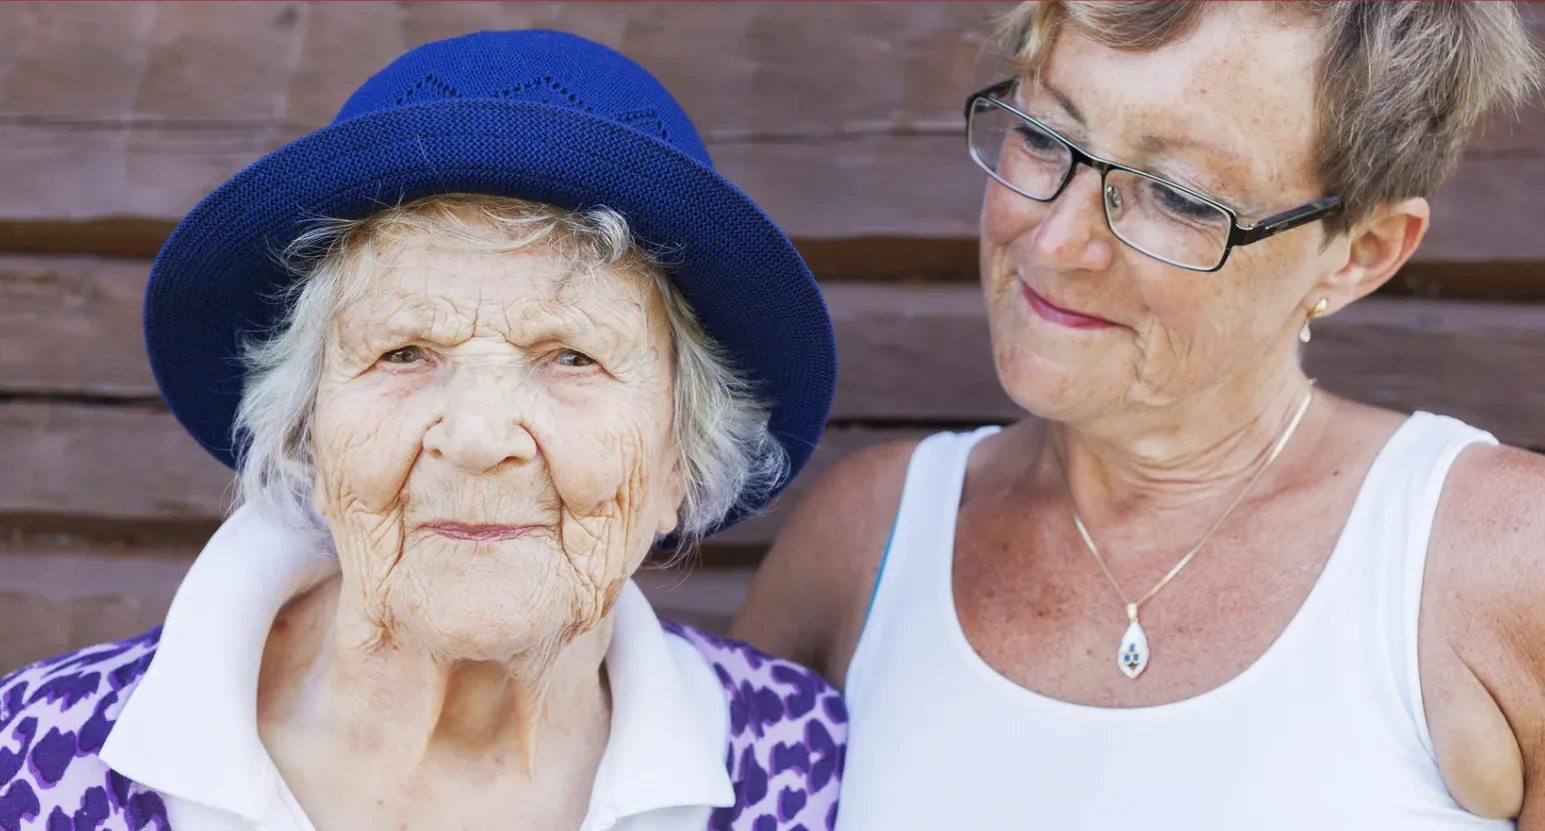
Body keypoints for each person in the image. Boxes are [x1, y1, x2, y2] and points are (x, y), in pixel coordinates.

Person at [0, 30, 844, 831]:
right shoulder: (32, 760)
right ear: (306, 433)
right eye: (404, 351)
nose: (477, 437)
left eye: (573, 357)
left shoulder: (805, 777)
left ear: (680, 460)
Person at [733, 2, 1543, 828]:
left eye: (1176, 197)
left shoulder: (1498, 561)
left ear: (1361, 251)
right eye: (1044, 137)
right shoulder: (865, 541)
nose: (1054, 242)